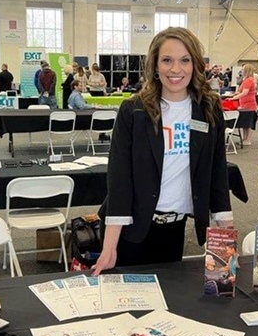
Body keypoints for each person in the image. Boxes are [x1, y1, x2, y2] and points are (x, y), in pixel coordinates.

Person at [92, 27, 233, 275]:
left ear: (195, 65)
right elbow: (119, 181)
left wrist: (227, 242)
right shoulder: (134, 111)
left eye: (185, 60)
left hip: (173, 231)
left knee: (169, 304)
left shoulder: (208, 110)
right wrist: (109, 247)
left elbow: (217, 176)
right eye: (167, 60)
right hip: (130, 231)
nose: (175, 69)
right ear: (155, 66)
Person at [229, 64, 258, 146]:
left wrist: (234, 98)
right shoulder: (246, 80)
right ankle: (244, 138)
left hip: (250, 105)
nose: (241, 71)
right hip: (244, 104)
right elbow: (241, 91)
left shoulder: (249, 80)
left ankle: (248, 140)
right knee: (245, 123)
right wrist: (235, 94)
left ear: (246, 70)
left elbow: (245, 93)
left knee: (248, 123)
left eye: (242, 69)